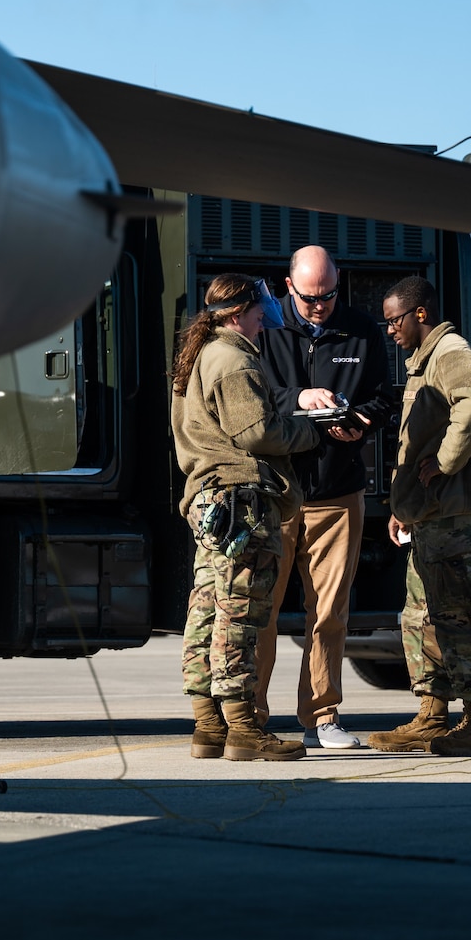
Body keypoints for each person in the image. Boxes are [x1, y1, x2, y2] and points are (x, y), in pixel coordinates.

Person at [172, 272, 321, 762]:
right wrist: (310, 431)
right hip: (240, 502)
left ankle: (207, 725)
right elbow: (258, 432)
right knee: (242, 613)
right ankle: (242, 728)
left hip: (208, 499)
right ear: (239, 313)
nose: (264, 319)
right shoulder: (233, 359)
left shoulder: (198, 356)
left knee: (208, 610)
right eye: (258, 312)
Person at [257, 246, 398, 750]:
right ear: (288, 286)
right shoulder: (264, 330)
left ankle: (322, 717)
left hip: (338, 492)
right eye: (310, 297)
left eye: (329, 295)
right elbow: (248, 396)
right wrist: (299, 397)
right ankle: (251, 716)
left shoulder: (362, 330)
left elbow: (386, 398)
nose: (320, 306)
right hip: (276, 491)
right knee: (263, 611)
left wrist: (358, 421)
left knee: (330, 612)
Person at [367, 276, 471, 757]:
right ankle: (432, 714)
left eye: (394, 320)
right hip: (429, 518)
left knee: (461, 614)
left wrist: (444, 462)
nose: (389, 331)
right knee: (422, 617)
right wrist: (404, 509)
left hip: (452, 518)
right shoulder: (427, 361)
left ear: (419, 314)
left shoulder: (451, 352)